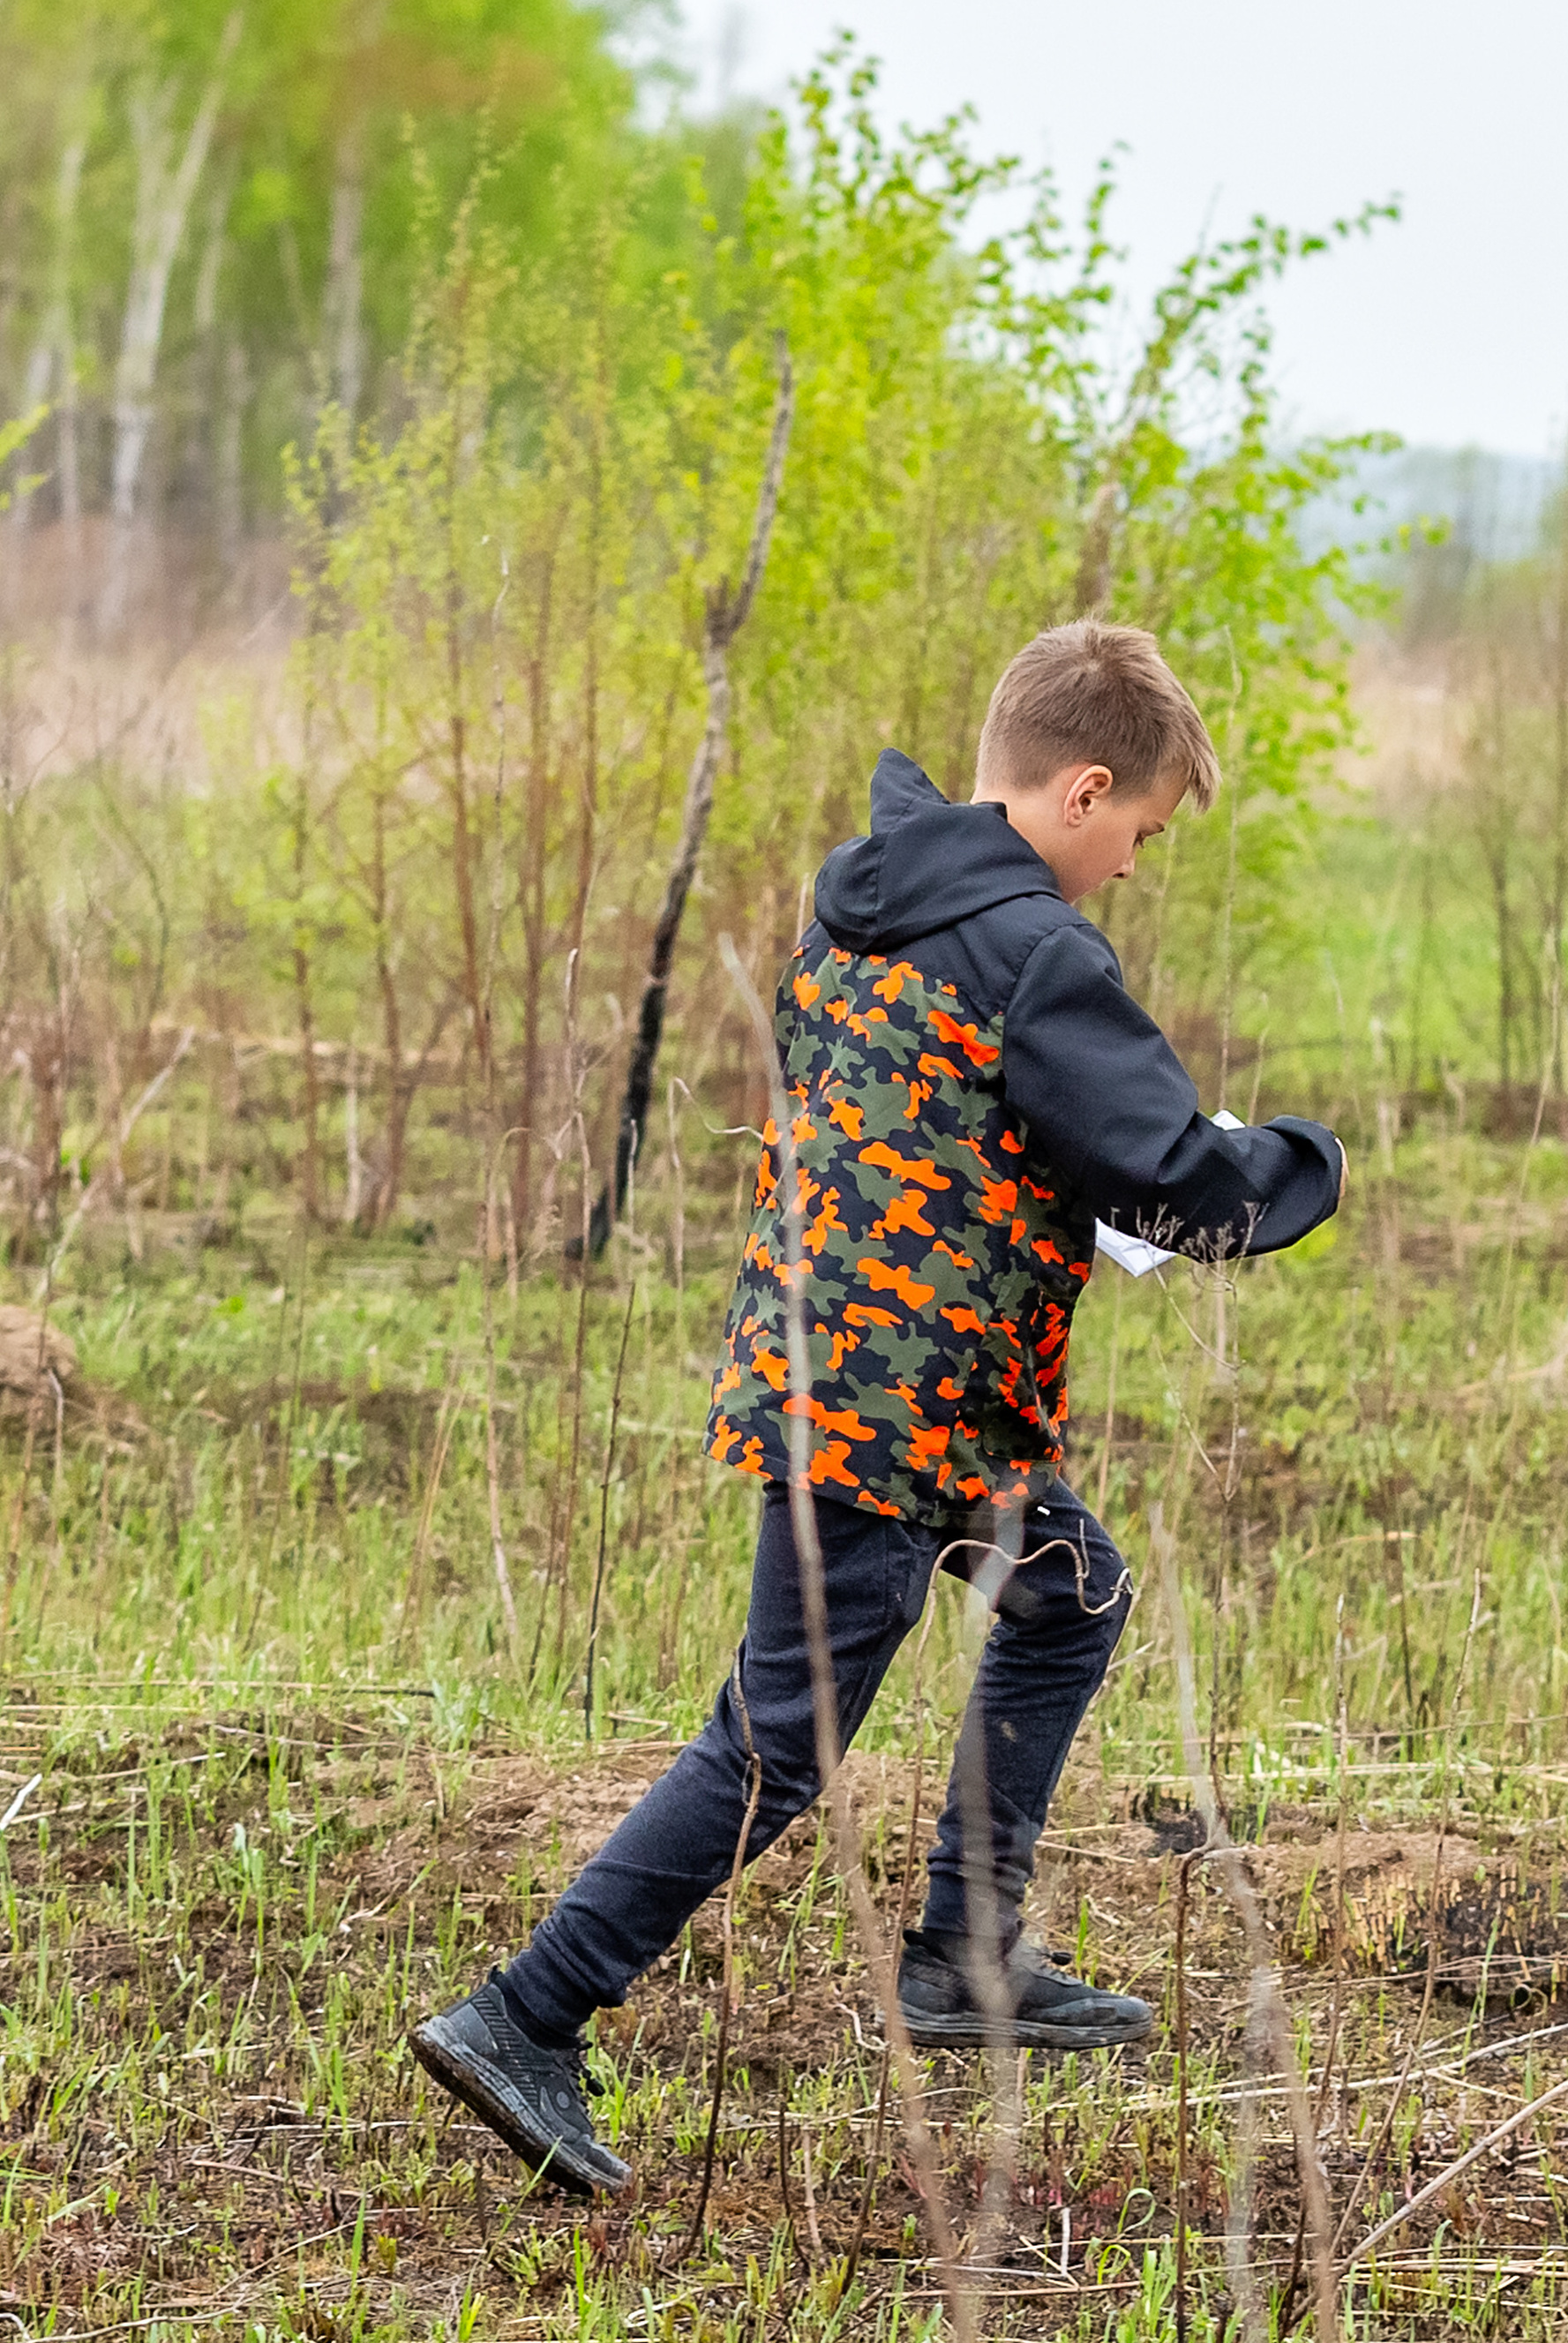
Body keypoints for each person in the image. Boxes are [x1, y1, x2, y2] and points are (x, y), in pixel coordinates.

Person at [409, 620, 1347, 2197]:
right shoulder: (1040, 952)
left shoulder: (863, 907)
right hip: (892, 1413)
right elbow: (1179, 1174)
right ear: (1083, 790)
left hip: (873, 1379)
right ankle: (527, 2010)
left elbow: (956, 1118)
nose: (1133, 864)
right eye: (1138, 830)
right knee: (783, 1737)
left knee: (1070, 1592)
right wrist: (1308, 1162)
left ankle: (966, 1954)